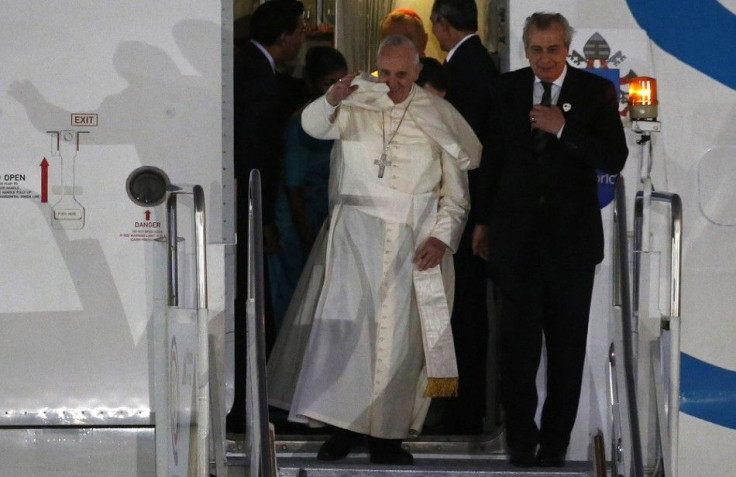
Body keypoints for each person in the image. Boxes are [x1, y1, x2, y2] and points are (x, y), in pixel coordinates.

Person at [266, 35, 481, 465]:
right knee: (349, 339)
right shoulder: (355, 99)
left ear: (419, 70)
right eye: (387, 73)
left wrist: (443, 237)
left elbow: (455, 194)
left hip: (414, 243)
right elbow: (314, 125)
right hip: (354, 241)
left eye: (404, 74)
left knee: (400, 344)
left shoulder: (439, 114)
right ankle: (344, 430)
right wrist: (332, 97)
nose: (395, 83)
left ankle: (386, 436)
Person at [473, 12, 628, 467]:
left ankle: (556, 444)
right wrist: (482, 222)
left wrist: (562, 128)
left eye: (553, 49)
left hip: (572, 247)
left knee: (566, 351)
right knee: (516, 352)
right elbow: (490, 163)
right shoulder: (505, 91)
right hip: (516, 243)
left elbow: (614, 157)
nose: (545, 58)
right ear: (526, 50)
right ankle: (521, 441)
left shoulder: (593, 92)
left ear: (568, 49)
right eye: (537, 49)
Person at [229, 0, 306, 433]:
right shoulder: (259, 80)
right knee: (250, 300)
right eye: (299, 30)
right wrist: (263, 220)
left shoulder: (249, 67)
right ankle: (250, 403)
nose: (302, 38)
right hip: (249, 209)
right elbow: (255, 156)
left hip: (246, 207)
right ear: (283, 38)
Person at [429, 0, 499, 435]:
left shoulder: (465, 71)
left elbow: (477, 153)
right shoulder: (476, 63)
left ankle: (462, 409)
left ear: (440, 23)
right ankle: (459, 405)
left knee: (463, 313)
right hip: (470, 212)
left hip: (465, 212)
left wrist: (479, 218)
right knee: (461, 312)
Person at [267, 46, 348, 331]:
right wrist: (308, 239)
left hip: (325, 215)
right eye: (329, 84)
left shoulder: (346, 117)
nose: (337, 90)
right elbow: (293, 189)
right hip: (296, 222)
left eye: (342, 82)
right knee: (297, 304)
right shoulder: (301, 123)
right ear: (312, 84)